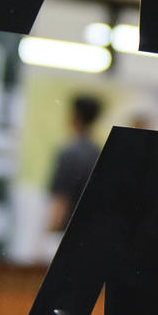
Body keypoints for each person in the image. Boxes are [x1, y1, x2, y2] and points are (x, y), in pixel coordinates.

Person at [46, 93, 103, 234]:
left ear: (75, 116)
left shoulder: (69, 152)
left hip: (65, 231)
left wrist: (50, 231)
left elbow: (61, 199)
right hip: (89, 230)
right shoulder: (98, 152)